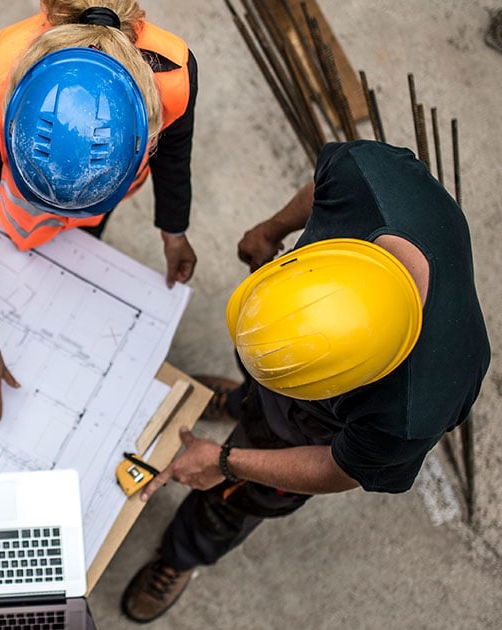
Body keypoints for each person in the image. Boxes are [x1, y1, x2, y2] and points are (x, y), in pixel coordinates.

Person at [120, 140, 491, 623]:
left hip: (310, 434)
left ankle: (182, 555)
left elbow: (337, 469)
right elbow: (322, 187)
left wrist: (227, 462)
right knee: (258, 391)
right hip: (303, 355)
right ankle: (240, 401)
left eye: (290, 380)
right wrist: (272, 229)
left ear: (346, 384)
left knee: (233, 501)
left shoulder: (414, 408)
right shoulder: (368, 179)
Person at [0, 0, 199, 420]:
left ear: (143, 135)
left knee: (78, 245)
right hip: (20, 205)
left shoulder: (173, 74)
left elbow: (174, 155)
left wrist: (174, 228)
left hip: (102, 195)